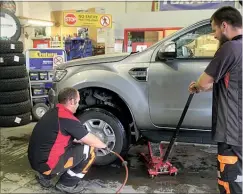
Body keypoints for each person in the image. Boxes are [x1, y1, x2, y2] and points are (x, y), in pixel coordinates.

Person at [188, 6, 242, 194]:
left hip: (232, 131)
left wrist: (198, 86)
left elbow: (204, 82)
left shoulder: (230, 48)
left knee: (230, 181)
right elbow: (232, 83)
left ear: (224, 25)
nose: (214, 35)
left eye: (215, 29)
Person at [28, 87, 109, 193]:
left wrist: (78, 140)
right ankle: (66, 184)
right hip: (47, 165)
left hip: (36, 162)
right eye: (78, 102)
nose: (78, 105)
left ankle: (44, 177)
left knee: (74, 145)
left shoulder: (53, 112)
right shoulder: (67, 118)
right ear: (71, 101)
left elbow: (57, 137)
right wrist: (105, 146)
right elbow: (90, 140)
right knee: (90, 150)